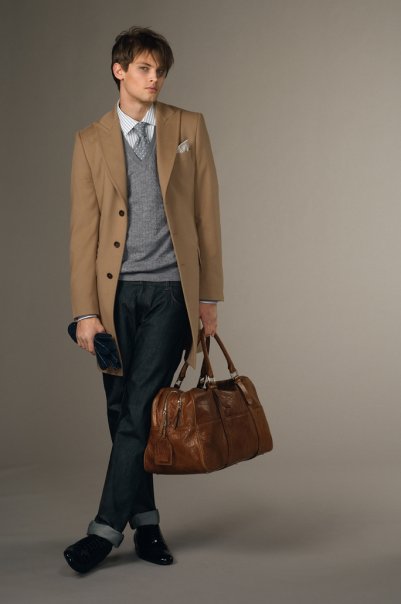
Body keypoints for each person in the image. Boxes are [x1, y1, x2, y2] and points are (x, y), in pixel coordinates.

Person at [63, 26, 224, 574]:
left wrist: (208, 297)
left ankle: (103, 531)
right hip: (113, 300)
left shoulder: (188, 127)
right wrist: (85, 312)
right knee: (121, 412)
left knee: (139, 409)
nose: (155, 79)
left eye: (161, 71)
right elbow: (83, 233)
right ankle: (147, 523)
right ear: (120, 70)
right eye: (145, 69)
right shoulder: (89, 140)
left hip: (171, 293)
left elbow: (207, 214)